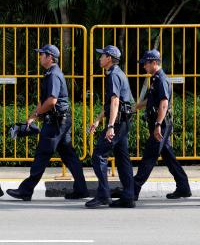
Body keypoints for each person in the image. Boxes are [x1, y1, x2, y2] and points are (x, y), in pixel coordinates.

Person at [6, 44, 89, 201]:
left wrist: (37, 113)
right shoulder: (51, 73)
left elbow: (51, 101)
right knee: (69, 156)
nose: (40, 57)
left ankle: (26, 190)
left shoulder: (53, 75)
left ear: (50, 57)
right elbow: (44, 101)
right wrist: (33, 117)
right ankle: (81, 189)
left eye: (42, 54)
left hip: (56, 122)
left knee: (42, 154)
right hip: (61, 120)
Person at [133, 48, 191, 200]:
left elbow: (164, 103)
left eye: (146, 63)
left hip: (162, 124)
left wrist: (158, 124)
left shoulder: (162, 79)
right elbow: (152, 101)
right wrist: (135, 107)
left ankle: (133, 189)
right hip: (160, 123)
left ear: (154, 62)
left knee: (149, 156)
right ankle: (183, 187)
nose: (144, 66)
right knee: (168, 157)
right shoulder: (156, 79)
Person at [85, 45, 135, 208]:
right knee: (122, 158)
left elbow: (115, 102)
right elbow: (110, 104)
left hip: (118, 122)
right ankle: (128, 196)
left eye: (102, 56)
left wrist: (111, 126)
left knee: (98, 155)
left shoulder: (113, 75)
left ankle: (103, 195)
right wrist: (99, 119)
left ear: (109, 58)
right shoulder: (118, 73)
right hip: (124, 121)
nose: (99, 58)